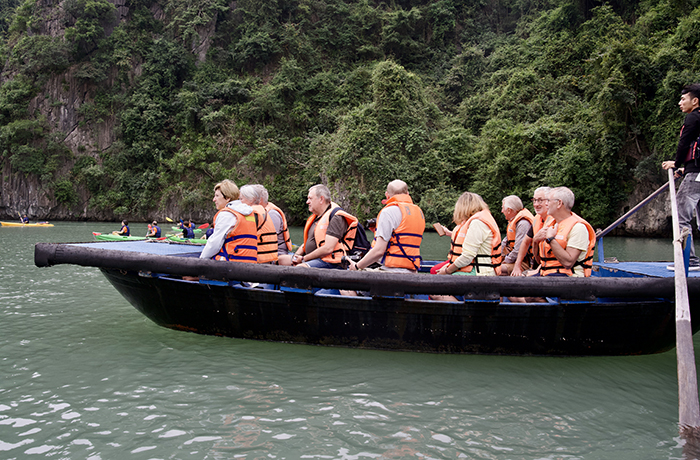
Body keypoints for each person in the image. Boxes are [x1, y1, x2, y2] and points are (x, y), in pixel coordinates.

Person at [347, 180, 424, 273]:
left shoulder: (388, 212)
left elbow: (379, 251)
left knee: (347, 281)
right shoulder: (419, 212)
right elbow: (403, 237)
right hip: (412, 271)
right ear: (407, 194)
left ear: (387, 195)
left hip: (391, 273)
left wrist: (356, 266)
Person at [662, 83, 700, 271]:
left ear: (695, 101)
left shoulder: (693, 117)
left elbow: (684, 143)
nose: (680, 103)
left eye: (683, 99)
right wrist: (686, 169)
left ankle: (690, 261)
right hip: (695, 171)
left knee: (681, 216)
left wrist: (676, 164)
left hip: (697, 175)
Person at [279, 184, 358, 269]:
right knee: (281, 260)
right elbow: (306, 244)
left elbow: (328, 248)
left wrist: (303, 259)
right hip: (311, 258)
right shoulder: (316, 217)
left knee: (300, 268)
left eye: (310, 198)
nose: (307, 202)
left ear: (321, 199)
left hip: (330, 262)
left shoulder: (336, 217)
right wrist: (296, 256)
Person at [436, 192, 502, 276]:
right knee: (436, 272)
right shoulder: (479, 220)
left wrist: (447, 271)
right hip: (474, 268)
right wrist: (446, 267)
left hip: (480, 272)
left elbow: (467, 257)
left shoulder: (477, 223)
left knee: (441, 280)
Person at [540, 187, 596, 277]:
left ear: (559, 203)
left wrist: (550, 239)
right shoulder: (552, 225)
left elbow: (568, 263)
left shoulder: (578, 228)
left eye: (548, 200)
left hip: (570, 279)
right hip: (549, 274)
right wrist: (535, 240)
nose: (545, 204)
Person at [199, 180, 257, 262]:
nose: (214, 199)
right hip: (250, 262)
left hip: (231, 262)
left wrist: (200, 260)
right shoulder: (250, 213)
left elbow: (214, 244)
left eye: (217, 196)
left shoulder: (227, 214)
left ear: (227, 198)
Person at [511, 187, 553, 277]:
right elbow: (525, 242)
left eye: (540, 200)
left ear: (549, 201)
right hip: (537, 265)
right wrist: (517, 265)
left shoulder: (555, 221)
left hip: (549, 270)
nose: (536, 204)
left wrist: (538, 270)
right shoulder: (537, 219)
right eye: (534, 200)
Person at [240, 184, 278, 264]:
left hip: (258, 259)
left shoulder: (252, 213)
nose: (239, 202)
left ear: (251, 199)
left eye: (241, 199)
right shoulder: (263, 211)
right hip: (268, 258)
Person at [498, 195, 534, 276]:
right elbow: (504, 243)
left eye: (503, 208)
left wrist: (505, 261)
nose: (502, 211)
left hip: (524, 262)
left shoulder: (523, 223)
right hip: (514, 260)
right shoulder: (513, 222)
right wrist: (497, 258)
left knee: (496, 270)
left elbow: (518, 250)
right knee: (493, 266)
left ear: (509, 210)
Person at [255, 184, 294, 256]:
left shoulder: (272, 214)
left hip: (276, 253)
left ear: (259, 200)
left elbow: (268, 239)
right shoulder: (260, 213)